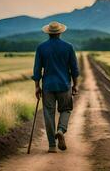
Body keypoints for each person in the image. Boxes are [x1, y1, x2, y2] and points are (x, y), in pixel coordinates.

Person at [32, 21, 79, 153]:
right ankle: (61, 130)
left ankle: (52, 146)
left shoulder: (41, 48)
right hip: (64, 85)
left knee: (48, 114)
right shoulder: (68, 47)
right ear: (60, 32)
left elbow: (37, 70)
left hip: (48, 86)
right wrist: (75, 85)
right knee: (66, 109)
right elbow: (74, 69)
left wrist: (37, 86)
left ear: (48, 33)